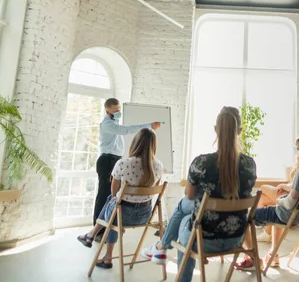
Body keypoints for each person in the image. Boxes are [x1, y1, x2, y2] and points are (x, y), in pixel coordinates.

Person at [140, 106, 257, 282]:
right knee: (187, 209)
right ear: (239, 131)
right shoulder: (250, 164)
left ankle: (161, 247)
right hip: (235, 239)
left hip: (203, 240)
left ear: (216, 129)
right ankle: (160, 246)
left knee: (184, 213)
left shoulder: (201, 163)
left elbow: (190, 195)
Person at [235, 132, 299, 270]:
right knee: (271, 204)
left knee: (243, 216)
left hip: (288, 215)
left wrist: (280, 200)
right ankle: (273, 255)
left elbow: (289, 203)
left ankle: (252, 259)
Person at [77, 128, 164, 268]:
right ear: (154, 145)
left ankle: (97, 242)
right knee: (115, 207)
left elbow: (113, 191)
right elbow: (155, 188)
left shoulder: (123, 163)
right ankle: (93, 237)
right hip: (145, 216)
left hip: (121, 216)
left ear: (136, 143)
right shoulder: (159, 166)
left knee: (114, 204)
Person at [93, 98, 161, 242]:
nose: (119, 112)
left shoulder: (115, 122)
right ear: (107, 111)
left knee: (109, 196)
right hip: (107, 160)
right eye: (116, 110)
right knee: (104, 195)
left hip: (115, 159)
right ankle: (99, 232)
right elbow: (127, 130)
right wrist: (150, 126)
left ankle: (101, 231)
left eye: (119, 109)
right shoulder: (107, 124)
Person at [256, 136, 299, 243]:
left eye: (296, 147)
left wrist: (284, 187)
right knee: (262, 198)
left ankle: (264, 228)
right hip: (292, 195)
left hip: (291, 197)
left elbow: (298, 187)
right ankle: (267, 233)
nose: (295, 149)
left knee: (262, 188)